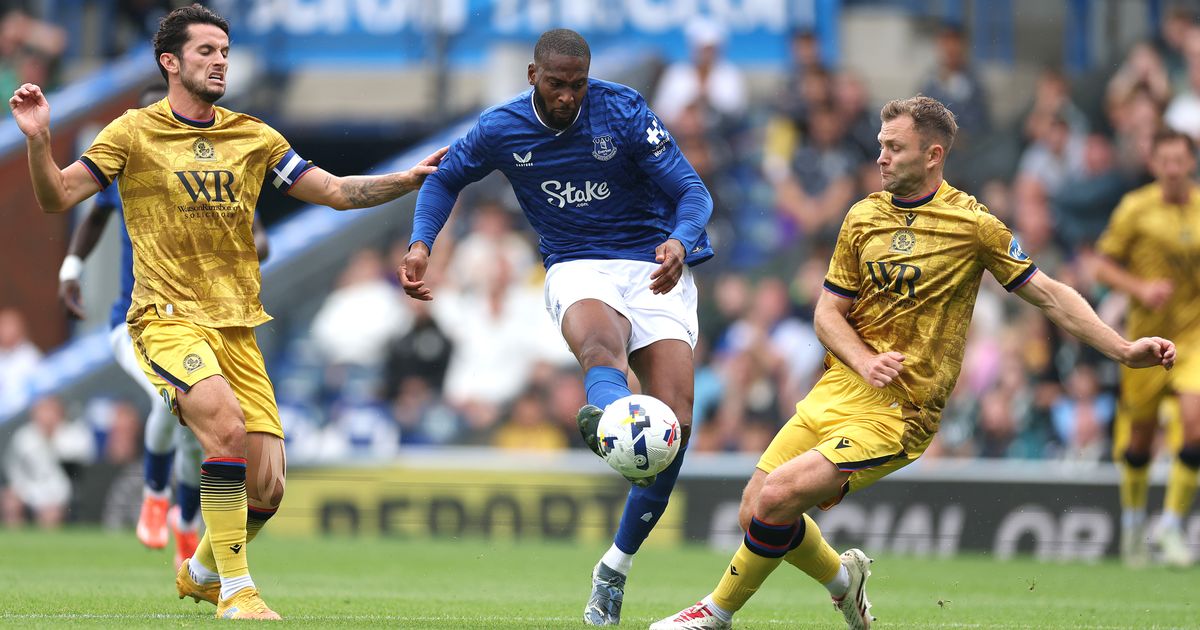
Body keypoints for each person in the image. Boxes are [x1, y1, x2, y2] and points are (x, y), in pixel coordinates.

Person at [651, 95, 1175, 630]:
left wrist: (1122, 348)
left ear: (932, 155)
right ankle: (843, 581)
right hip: (838, 388)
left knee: (780, 495)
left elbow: (1050, 295)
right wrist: (863, 360)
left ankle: (715, 614)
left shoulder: (973, 224)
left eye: (895, 148)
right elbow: (827, 313)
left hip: (900, 410)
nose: (881, 157)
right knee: (756, 510)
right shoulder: (862, 216)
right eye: (881, 145)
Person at [10, 3, 444, 620]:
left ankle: (201, 570)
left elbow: (335, 192)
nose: (220, 62)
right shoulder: (131, 132)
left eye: (224, 52)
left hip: (237, 326)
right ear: (170, 61)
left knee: (267, 485)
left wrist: (410, 178)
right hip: (166, 319)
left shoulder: (253, 136)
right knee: (225, 430)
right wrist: (39, 141)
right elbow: (57, 197)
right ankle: (237, 591)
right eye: (206, 51)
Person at [401, 28, 713, 626]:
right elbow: (444, 177)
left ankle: (615, 566)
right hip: (577, 263)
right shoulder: (502, 127)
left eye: (577, 85)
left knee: (675, 425)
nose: (568, 96)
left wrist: (680, 240)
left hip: (653, 262)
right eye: (556, 84)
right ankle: (607, 413)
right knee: (599, 344)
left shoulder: (623, 111)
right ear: (532, 76)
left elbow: (693, 193)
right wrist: (421, 244)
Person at [56, 84, 269, 571]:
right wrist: (70, 269)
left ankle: (186, 522)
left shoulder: (213, 175)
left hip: (204, 325)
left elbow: (258, 235)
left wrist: (241, 243)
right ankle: (155, 494)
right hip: (138, 323)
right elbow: (93, 217)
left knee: (197, 429)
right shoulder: (129, 162)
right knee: (169, 399)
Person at [1090, 129, 1200, 568]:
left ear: (1191, 163)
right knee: (1139, 440)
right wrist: (1140, 288)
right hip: (1146, 344)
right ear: (1153, 164)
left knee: (1195, 426)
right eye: (1164, 160)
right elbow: (1100, 266)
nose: (1172, 168)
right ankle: (1134, 524)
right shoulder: (1135, 209)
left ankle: (1171, 525)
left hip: (1193, 339)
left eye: (1180, 160)